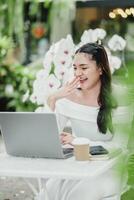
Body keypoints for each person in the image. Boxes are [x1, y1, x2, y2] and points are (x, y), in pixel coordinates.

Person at [46, 43, 132, 200]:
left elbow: (119, 148)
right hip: (78, 166)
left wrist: (76, 141)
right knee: (50, 190)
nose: (78, 73)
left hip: (109, 170)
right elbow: (48, 138)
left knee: (78, 194)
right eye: (75, 68)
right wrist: (53, 98)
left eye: (84, 68)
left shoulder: (120, 97)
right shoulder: (69, 98)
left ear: (100, 69)